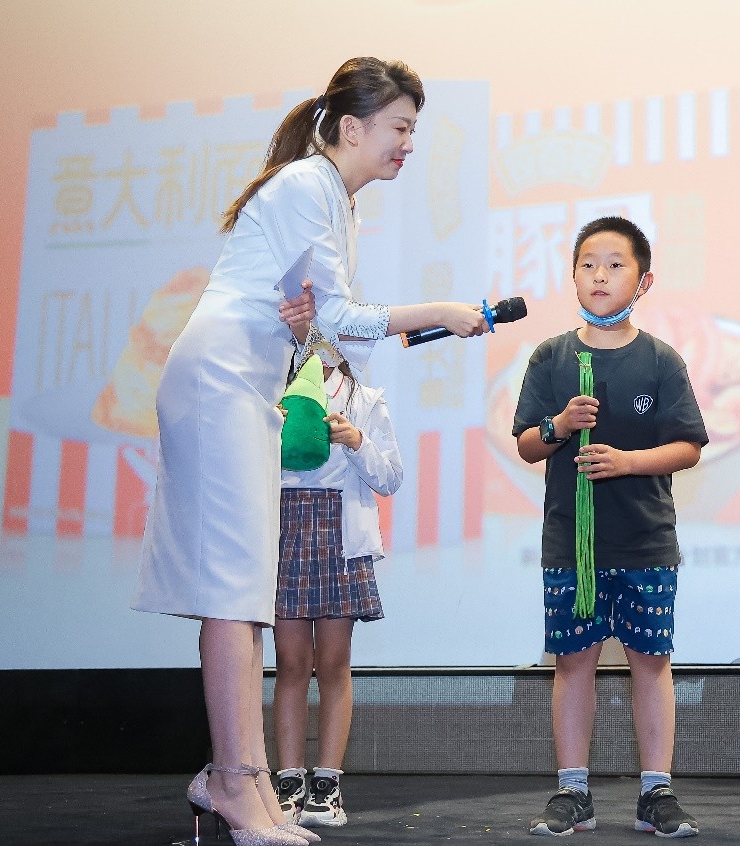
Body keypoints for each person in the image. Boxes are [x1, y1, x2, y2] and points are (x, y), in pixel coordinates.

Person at [133, 57, 488, 846]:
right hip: (221, 380)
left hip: (246, 384)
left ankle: (244, 780)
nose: (407, 145)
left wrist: (315, 329)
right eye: (399, 128)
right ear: (352, 128)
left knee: (245, 589)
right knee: (234, 588)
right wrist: (442, 310)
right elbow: (342, 316)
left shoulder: (331, 197)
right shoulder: (306, 185)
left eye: (412, 130)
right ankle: (235, 782)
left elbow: (318, 325)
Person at [512, 217, 708, 838]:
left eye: (616, 265)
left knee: (651, 662)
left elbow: (688, 446)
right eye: (588, 264)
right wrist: (559, 426)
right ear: (573, 275)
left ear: (644, 281)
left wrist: (626, 463)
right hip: (571, 543)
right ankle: (573, 792)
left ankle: (656, 793)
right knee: (573, 664)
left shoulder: (661, 359)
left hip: (646, 539)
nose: (600, 275)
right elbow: (526, 443)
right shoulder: (551, 356)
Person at [271, 355, 402, 829]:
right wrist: (268, 428)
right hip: (283, 526)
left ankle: (327, 785)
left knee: (332, 663)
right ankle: (288, 782)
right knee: (290, 663)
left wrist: (357, 441)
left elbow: (390, 478)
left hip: (340, 531)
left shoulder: (365, 400)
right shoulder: (270, 388)